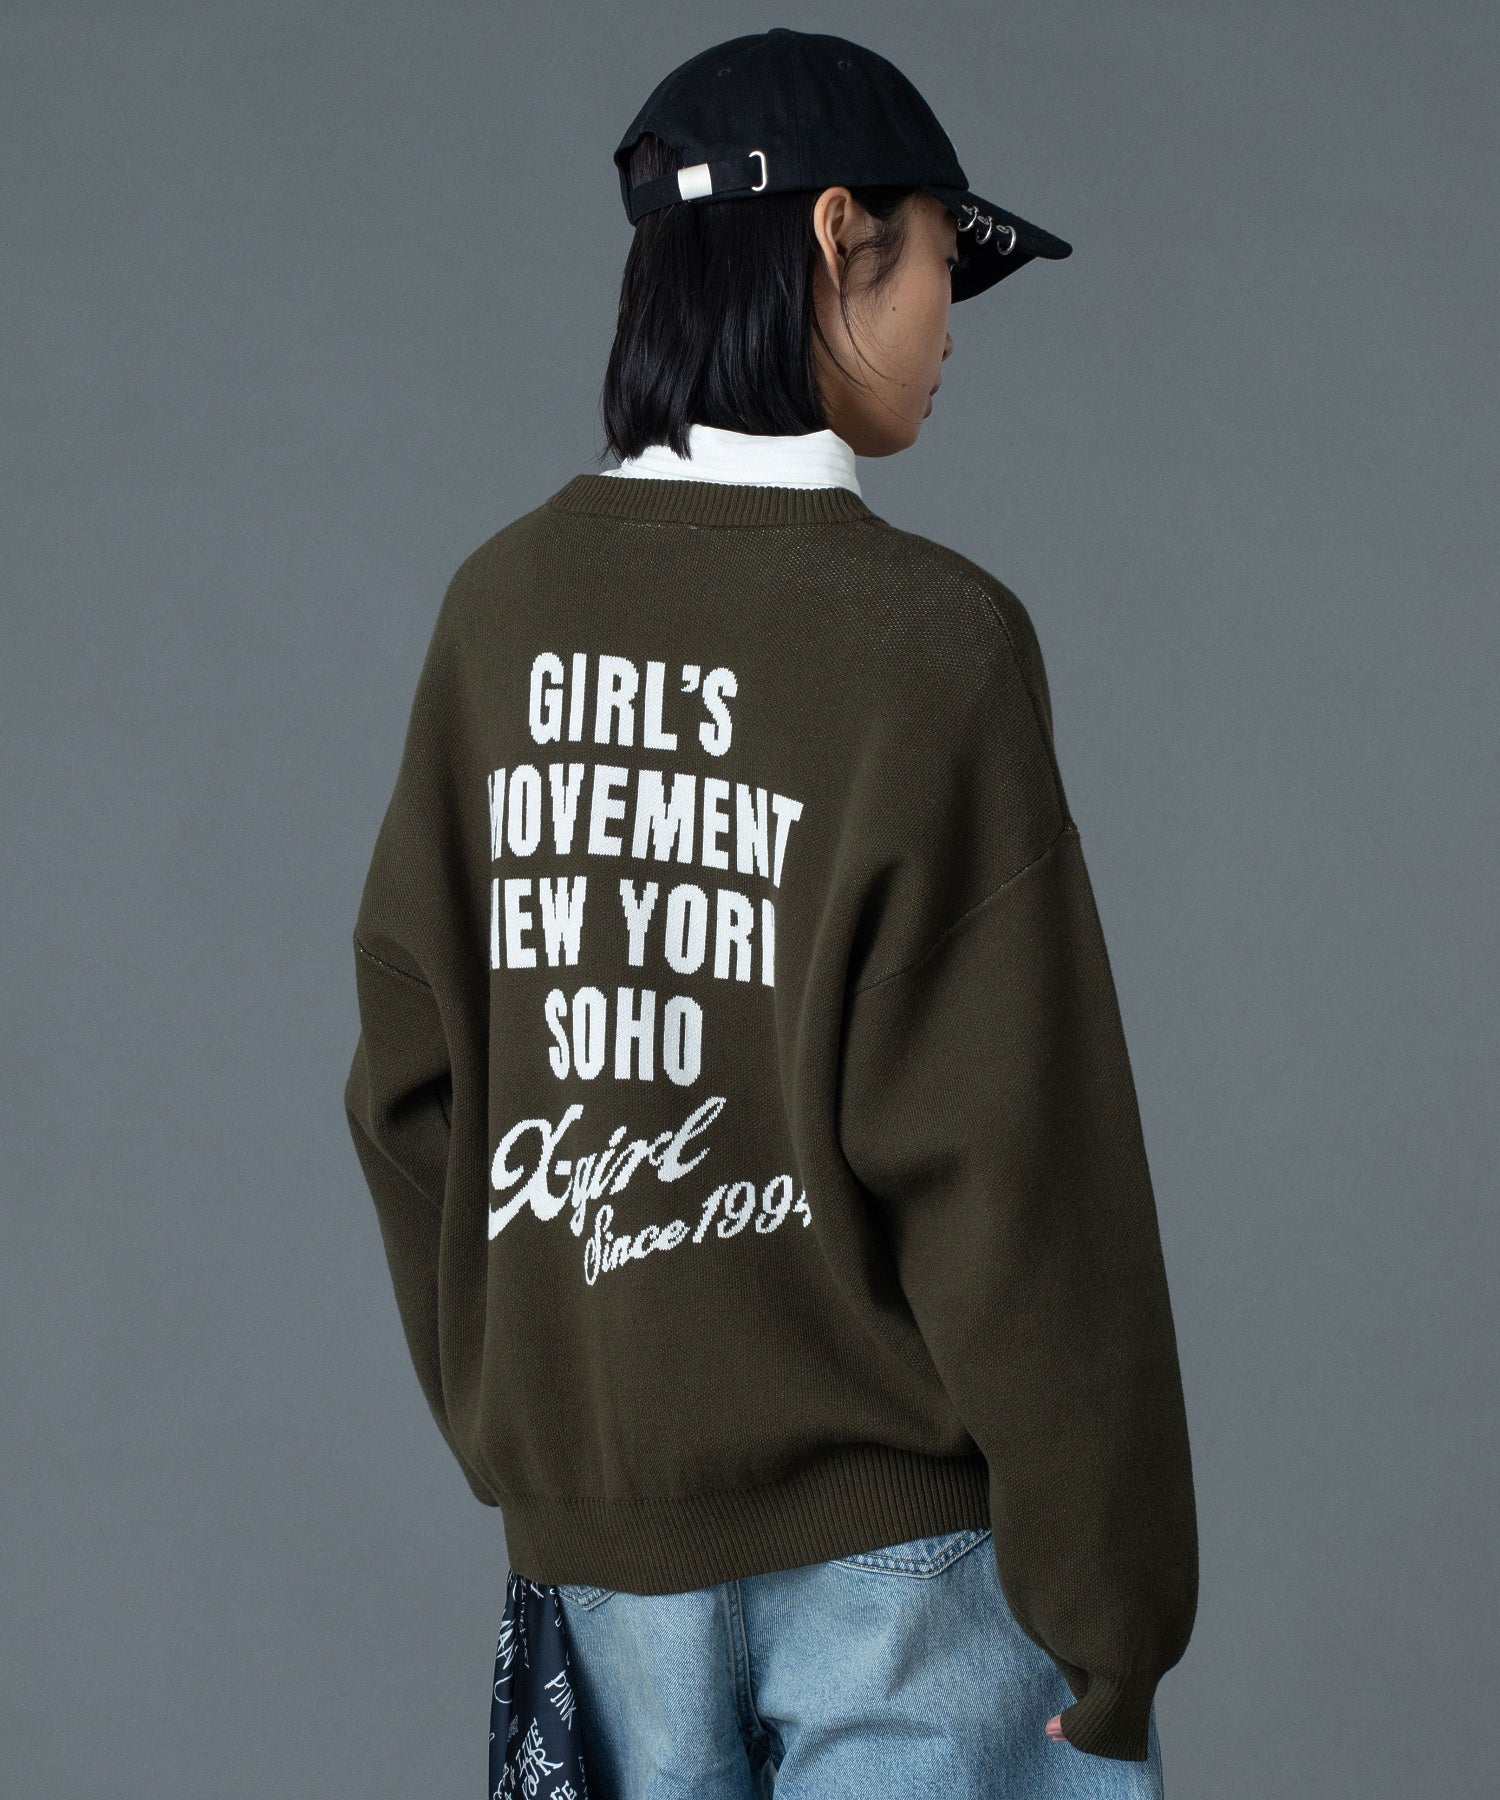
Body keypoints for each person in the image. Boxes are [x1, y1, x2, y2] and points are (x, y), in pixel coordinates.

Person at [343, 28, 1198, 1800]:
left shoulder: (500, 612)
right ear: (836, 234)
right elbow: (1019, 1171)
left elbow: (409, 1087)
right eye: (946, 261)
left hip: (600, 1580)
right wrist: (1114, 1617)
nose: (955, 326)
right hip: (915, 1582)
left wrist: (540, 1442)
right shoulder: (934, 641)